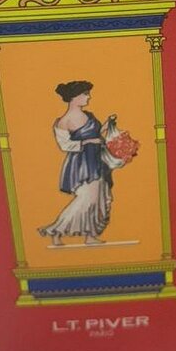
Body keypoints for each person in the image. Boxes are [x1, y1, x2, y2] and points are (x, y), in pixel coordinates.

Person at [38, 80, 113, 247]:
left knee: (96, 199)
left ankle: (90, 236)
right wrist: (87, 142)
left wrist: (106, 126)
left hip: (97, 160)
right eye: (85, 94)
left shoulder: (89, 115)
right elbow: (65, 145)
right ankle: (55, 231)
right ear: (74, 97)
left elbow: (96, 134)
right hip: (81, 164)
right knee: (86, 200)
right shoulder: (64, 121)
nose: (89, 97)